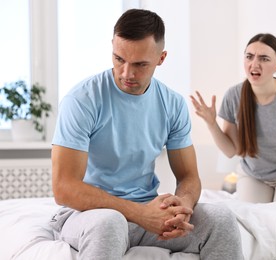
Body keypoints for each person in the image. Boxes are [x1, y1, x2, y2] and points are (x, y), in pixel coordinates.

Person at [50, 8, 243, 260]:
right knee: (110, 223)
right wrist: (139, 214)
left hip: (147, 215)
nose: (126, 73)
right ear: (112, 47)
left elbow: (188, 177)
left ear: (161, 58)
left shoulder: (172, 104)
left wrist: (183, 205)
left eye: (140, 64)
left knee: (221, 219)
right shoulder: (82, 100)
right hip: (86, 215)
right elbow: (64, 188)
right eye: (119, 59)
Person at [190, 33, 276, 203]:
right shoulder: (234, 96)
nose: (254, 64)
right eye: (249, 57)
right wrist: (211, 123)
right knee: (252, 221)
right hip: (253, 176)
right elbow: (232, 151)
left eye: (264, 58)